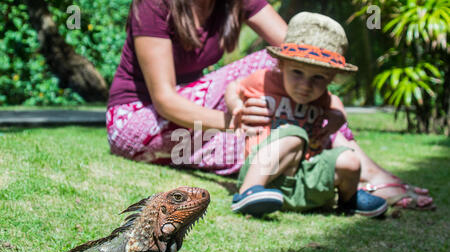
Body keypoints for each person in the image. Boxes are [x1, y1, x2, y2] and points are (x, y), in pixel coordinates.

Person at [106, 0, 434, 210]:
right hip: (137, 122)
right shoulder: (154, 3)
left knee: (279, 137)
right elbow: (164, 99)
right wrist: (232, 120)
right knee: (271, 62)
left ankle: (350, 172)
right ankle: (369, 175)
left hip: (188, 129)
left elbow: (304, 50)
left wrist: (329, 103)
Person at [228, 12, 389, 217]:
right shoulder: (265, 80)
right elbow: (233, 87)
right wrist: (236, 107)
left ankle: (349, 201)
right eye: (297, 72)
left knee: (350, 160)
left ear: (330, 78)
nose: (305, 86)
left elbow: (336, 109)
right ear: (281, 65)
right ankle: (246, 194)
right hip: (264, 173)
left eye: (318, 77)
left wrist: (335, 119)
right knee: (294, 134)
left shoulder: (322, 98)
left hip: (305, 177)